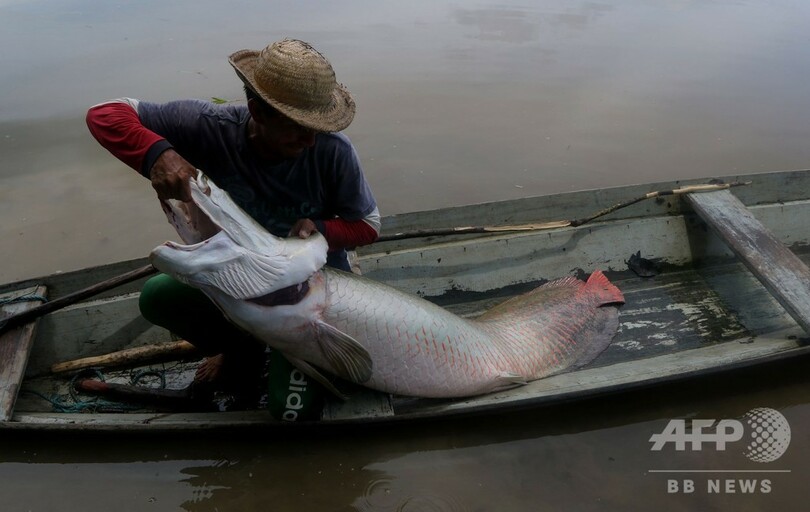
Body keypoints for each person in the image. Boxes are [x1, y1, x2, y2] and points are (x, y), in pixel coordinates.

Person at [86, 38, 380, 394]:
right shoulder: (209, 126)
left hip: (311, 293)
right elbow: (105, 113)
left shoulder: (334, 152)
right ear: (257, 112)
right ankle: (242, 349)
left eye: (316, 127)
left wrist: (319, 228)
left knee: (291, 411)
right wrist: (158, 155)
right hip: (233, 279)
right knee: (158, 296)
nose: (310, 140)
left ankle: (287, 346)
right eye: (296, 126)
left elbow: (366, 225)